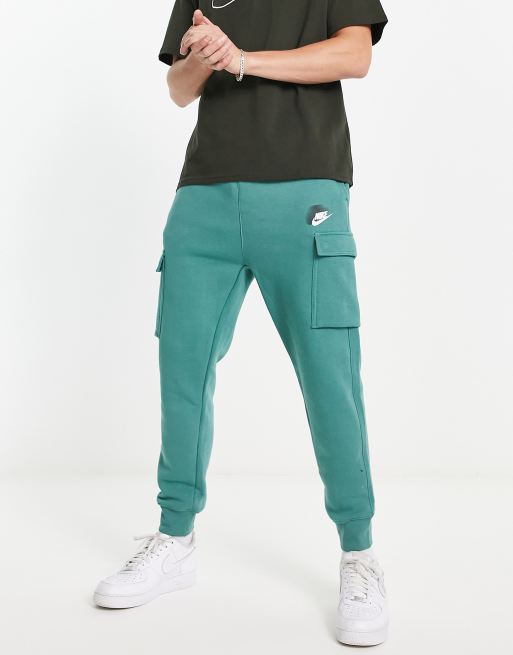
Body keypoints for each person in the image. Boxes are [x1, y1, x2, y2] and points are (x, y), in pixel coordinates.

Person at [94, 0, 389, 646]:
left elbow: (355, 54)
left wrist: (244, 59)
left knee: (330, 376)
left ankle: (358, 553)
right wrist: (203, 58)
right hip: (203, 193)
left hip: (305, 191)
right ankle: (174, 538)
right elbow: (178, 89)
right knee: (182, 365)